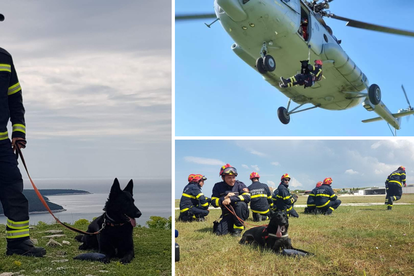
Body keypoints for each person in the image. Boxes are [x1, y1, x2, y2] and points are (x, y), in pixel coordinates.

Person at [0, 46, 46, 257]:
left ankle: (18, 245)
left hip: (1, 143)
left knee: (13, 189)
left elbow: (15, 99)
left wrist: (19, 132)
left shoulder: (4, 57)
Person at [211, 164, 251, 236]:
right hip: (227, 214)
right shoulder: (218, 186)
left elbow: (247, 197)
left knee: (240, 204)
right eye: (229, 178)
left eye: (233, 177)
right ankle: (232, 225)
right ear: (223, 178)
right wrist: (223, 199)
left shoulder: (240, 185)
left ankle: (238, 228)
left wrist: (231, 199)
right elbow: (213, 202)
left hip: (241, 212)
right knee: (220, 232)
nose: (232, 180)